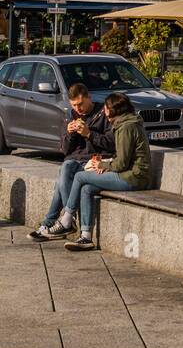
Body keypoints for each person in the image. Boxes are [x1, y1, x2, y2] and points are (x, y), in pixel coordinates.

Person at [58, 92, 153, 252]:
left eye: (107, 107)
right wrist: (105, 165)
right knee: (86, 188)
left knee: (81, 176)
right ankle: (86, 237)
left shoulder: (126, 127)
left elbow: (122, 163)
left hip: (134, 177)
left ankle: (67, 219)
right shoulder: (124, 124)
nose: (104, 110)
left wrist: (102, 165)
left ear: (115, 110)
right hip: (128, 174)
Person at [28, 84, 115, 242]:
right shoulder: (70, 115)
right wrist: (69, 133)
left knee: (61, 181)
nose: (78, 108)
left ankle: (53, 222)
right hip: (75, 161)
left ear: (89, 97)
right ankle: (67, 220)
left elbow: (111, 144)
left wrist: (89, 134)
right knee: (66, 167)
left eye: (80, 104)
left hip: (94, 161)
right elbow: (65, 150)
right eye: (74, 104)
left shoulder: (103, 114)